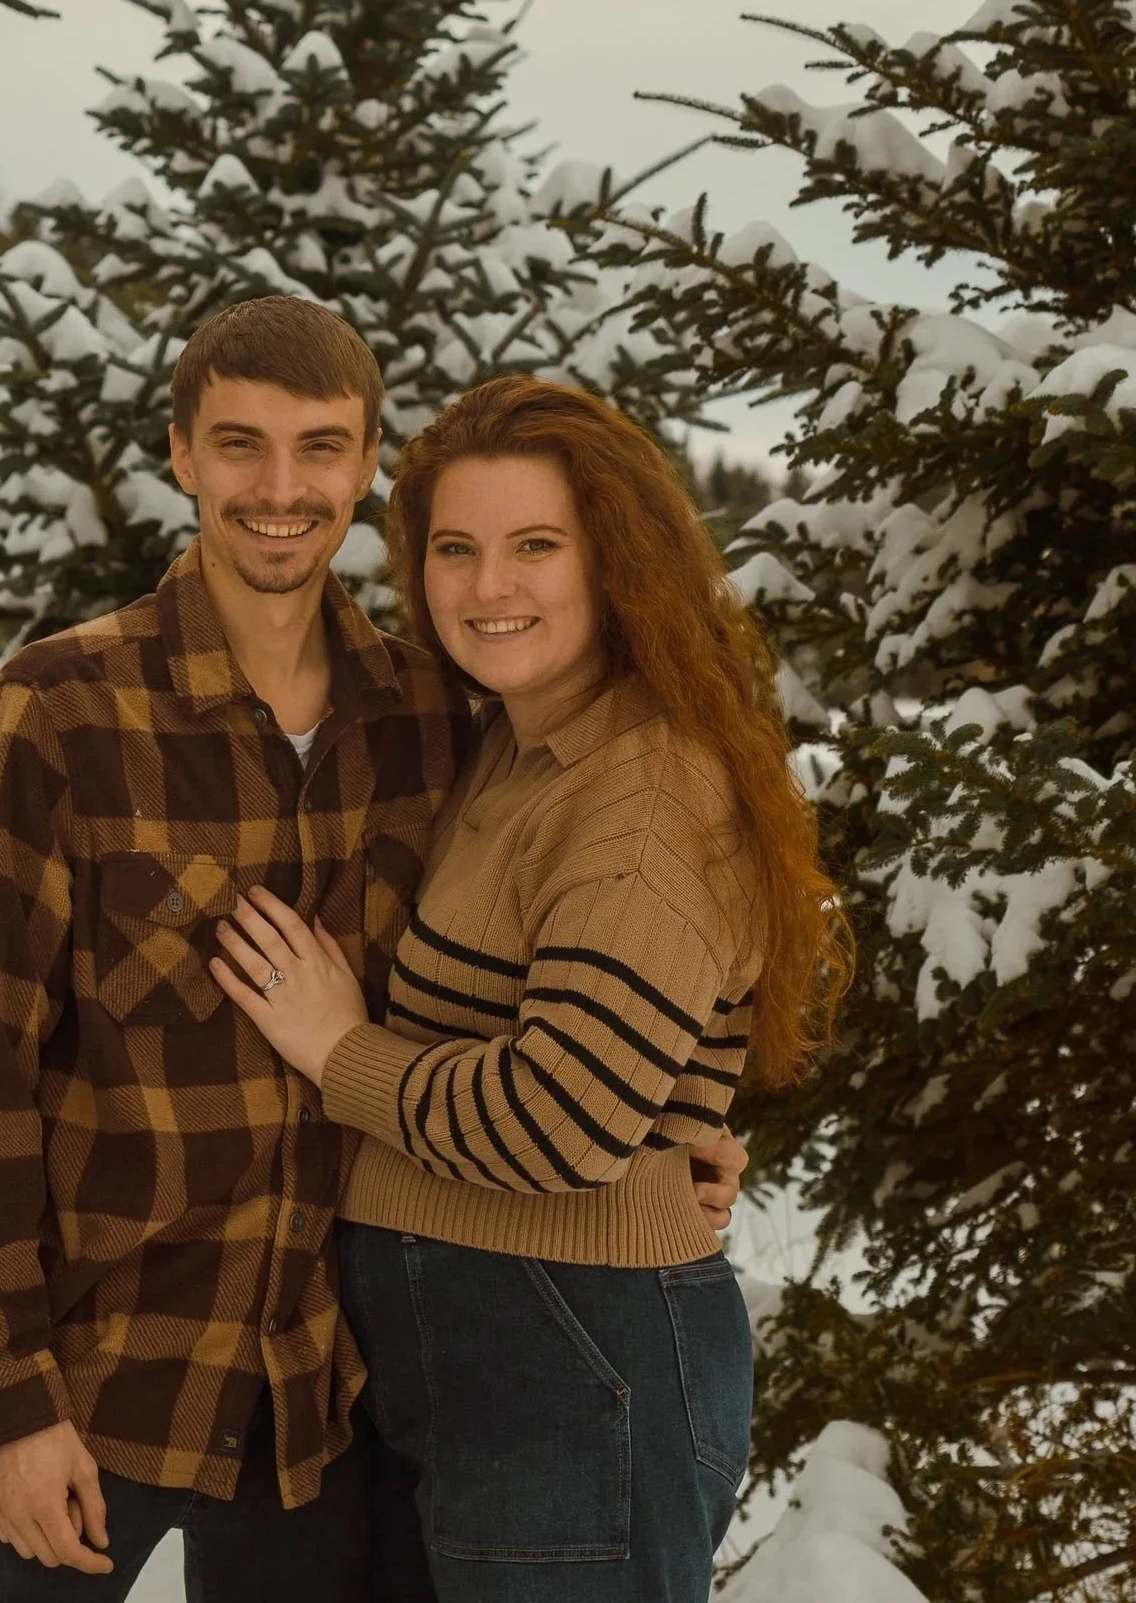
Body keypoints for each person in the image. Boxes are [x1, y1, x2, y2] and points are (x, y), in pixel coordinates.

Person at [0, 301, 748, 1602]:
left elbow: (598, 942)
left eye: (318, 448)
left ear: (367, 468)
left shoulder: (428, 717)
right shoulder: (55, 710)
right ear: (181, 453)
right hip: (98, 1377)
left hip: (324, 1400)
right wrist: (5, 1400)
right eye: (238, 444)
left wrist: (680, 1113)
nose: (278, 487)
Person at [215, 373, 855, 1603]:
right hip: (480, 1347)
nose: (486, 586)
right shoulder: (514, 741)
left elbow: (559, 1118)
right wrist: (672, 1129)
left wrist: (337, 1047)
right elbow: (610, 1066)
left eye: (534, 545)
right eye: (454, 547)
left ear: (616, 559)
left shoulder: (643, 794)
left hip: (571, 1355)